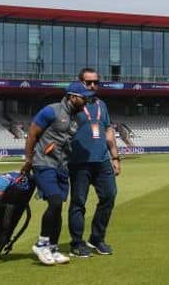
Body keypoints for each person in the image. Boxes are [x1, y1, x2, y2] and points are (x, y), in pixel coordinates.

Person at [21, 81, 95, 265]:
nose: (86, 100)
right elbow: (32, 134)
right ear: (72, 96)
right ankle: (41, 244)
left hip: (62, 166)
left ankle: (52, 248)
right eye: (83, 97)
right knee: (54, 202)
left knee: (59, 206)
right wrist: (29, 160)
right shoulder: (51, 111)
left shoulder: (77, 118)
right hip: (43, 163)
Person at [68, 68, 121, 257]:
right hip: (79, 162)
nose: (92, 86)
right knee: (78, 202)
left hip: (102, 160)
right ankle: (76, 243)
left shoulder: (101, 105)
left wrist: (115, 157)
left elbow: (108, 131)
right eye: (88, 82)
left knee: (109, 196)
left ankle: (97, 239)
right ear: (80, 82)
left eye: (95, 82)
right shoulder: (72, 104)